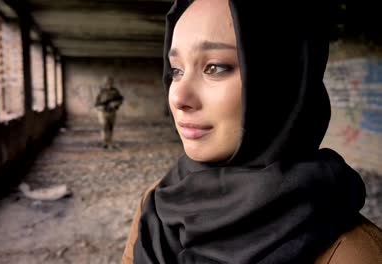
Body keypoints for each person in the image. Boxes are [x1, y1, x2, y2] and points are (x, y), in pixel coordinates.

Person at [122, 0, 382, 263]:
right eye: (176, 70)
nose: (178, 97)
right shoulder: (157, 204)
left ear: (279, 79)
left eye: (215, 67)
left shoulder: (353, 254)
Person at [95, 76, 124, 149]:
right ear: (104, 83)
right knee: (104, 126)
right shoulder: (101, 91)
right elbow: (96, 103)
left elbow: (120, 100)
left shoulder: (115, 91)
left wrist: (116, 104)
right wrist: (99, 107)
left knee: (111, 127)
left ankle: (109, 141)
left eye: (110, 82)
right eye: (107, 82)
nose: (109, 83)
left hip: (112, 112)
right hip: (103, 112)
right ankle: (104, 142)